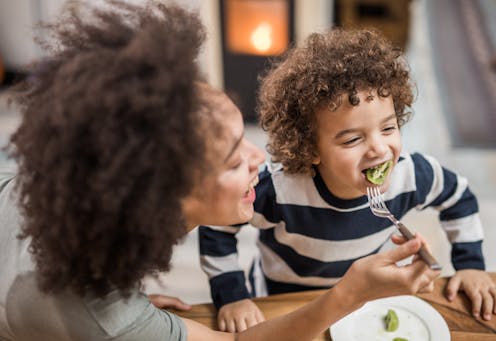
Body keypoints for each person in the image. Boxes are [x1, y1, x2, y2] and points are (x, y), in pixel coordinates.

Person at [0, 2, 439, 340]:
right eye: (233, 160)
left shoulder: (73, 190)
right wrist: (349, 294)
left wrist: (135, 309)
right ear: (158, 201)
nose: (258, 158)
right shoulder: (103, 316)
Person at [199, 27, 496, 332]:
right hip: (281, 302)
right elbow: (216, 225)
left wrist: (470, 264)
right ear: (311, 148)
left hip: (365, 302)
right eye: (354, 139)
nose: (379, 149)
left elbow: (459, 198)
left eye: (388, 128)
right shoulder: (280, 189)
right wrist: (232, 295)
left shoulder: (410, 175)